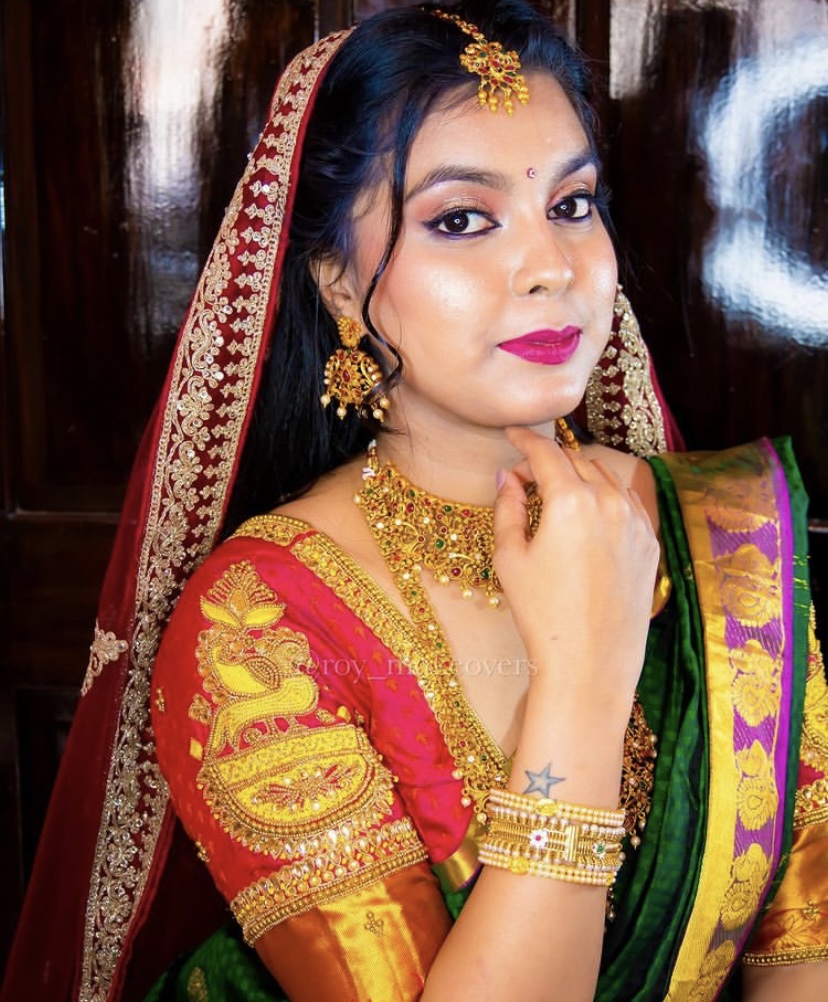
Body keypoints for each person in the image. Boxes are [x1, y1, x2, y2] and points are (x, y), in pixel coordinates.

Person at [4, 2, 828, 1000]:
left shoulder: (725, 537)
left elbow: (805, 950)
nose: (552, 267)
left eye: (573, 204)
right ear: (338, 284)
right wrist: (584, 680)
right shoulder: (260, 627)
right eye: (461, 219)